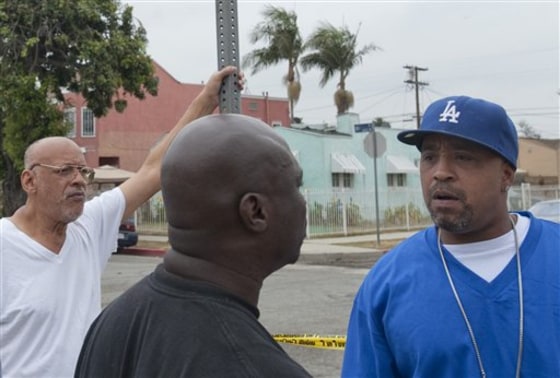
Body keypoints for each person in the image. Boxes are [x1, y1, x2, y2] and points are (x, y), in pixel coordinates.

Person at [0, 66, 242, 378]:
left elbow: (153, 170)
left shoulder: (88, 227)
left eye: (83, 171)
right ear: (29, 180)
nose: (78, 181)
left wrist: (206, 101)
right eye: (64, 171)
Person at [74, 113, 312, 377]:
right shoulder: (254, 367)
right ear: (255, 211)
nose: (303, 204)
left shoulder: (112, 323)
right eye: (296, 186)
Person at [341, 96, 560, 377]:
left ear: (506, 175)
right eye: (429, 157)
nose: (440, 173)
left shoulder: (553, 255)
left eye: (463, 157)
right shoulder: (386, 283)